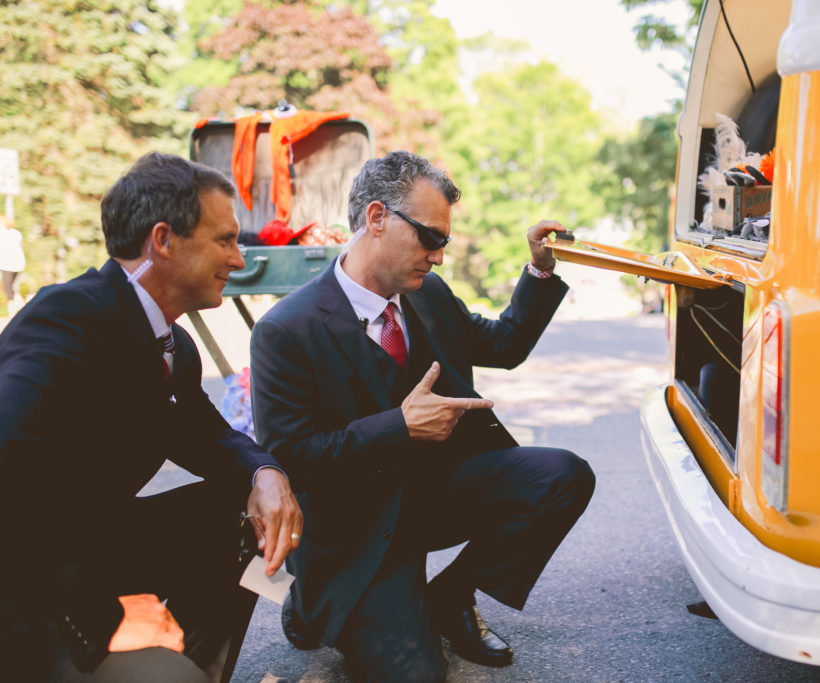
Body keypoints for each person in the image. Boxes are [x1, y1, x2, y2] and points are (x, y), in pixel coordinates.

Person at [249, 150, 596, 682]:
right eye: (430, 237)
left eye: (444, 242)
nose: (438, 257)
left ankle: (449, 598)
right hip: (358, 525)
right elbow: (294, 458)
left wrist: (540, 269)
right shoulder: (285, 330)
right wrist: (399, 427)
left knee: (562, 476)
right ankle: (315, 602)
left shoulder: (426, 294)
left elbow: (503, 345)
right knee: (417, 675)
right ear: (377, 218)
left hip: (434, 495)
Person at [0, 152, 303, 682]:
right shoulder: (67, 317)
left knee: (243, 505)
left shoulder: (176, 347)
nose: (238, 260)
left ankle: (185, 664)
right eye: (226, 240)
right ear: (163, 240)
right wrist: (107, 615)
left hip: (94, 544)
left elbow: (207, 435)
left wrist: (265, 473)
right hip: (26, 578)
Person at [0, 215, 26, 312]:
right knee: (14, 289)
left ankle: (12, 314)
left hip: (7, 264)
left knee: (8, 289)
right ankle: (24, 310)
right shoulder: (17, 233)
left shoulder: (2, 234)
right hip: (18, 264)